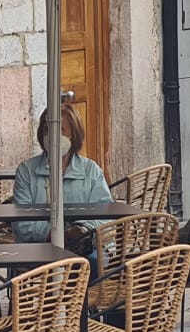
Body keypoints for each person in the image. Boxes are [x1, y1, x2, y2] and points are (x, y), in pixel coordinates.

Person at [11, 101, 113, 245]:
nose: (52, 135)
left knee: (95, 263)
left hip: (86, 246)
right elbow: (21, 223)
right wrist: (57, 236)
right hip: (41, 248)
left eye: (60, 130)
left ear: (73, 134)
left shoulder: (91, 170)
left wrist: (84, 231)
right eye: (47, 129)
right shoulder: (27, 171)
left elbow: (106, 215)